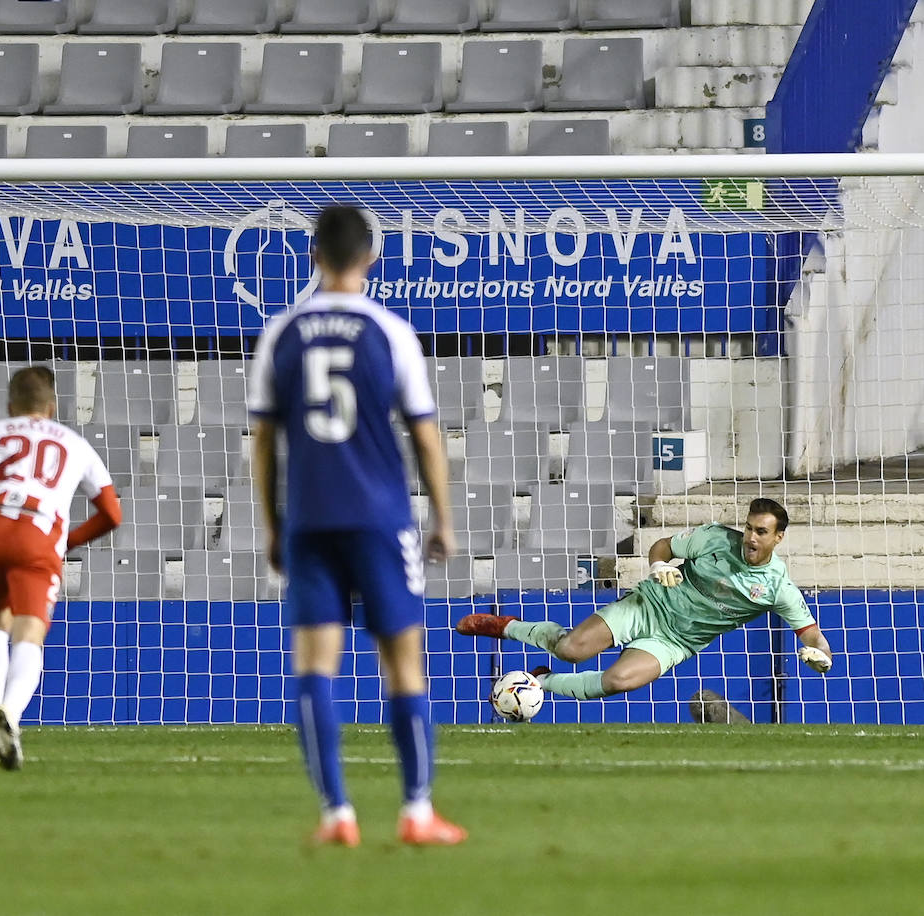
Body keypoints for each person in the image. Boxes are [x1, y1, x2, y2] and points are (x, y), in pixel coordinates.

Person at [248, 206, 465, 847]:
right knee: (403, 664)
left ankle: (336, 814)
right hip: (379, 517)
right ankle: (416, 811)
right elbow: (425, 436)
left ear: (313, 255)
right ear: (370, 259)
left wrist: (271, 526)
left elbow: (262, 441)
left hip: (310, 520)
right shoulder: (389, 331)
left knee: (315, 664)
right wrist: (443, 519)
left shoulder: (281, 332)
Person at [0, 366, 122, 770]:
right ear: (51, 406)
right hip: (37, 532)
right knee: (29, 632)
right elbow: (112, 514)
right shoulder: (75, 443)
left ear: (11, 405)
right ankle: (10, 717)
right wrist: (67, 541)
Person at [455, 498, 834, 703]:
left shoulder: (778, 587)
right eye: (749, 527)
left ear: (778, 538)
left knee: (619, 681)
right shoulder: (716, 538)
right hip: (648, 606)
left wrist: (821, 656)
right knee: (571, 648)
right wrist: (657, 566)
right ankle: (506, 627)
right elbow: (664, 545)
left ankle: (541, 683)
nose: (750, 537)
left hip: (675, 642)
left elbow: (813, 635)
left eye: (761, 532)